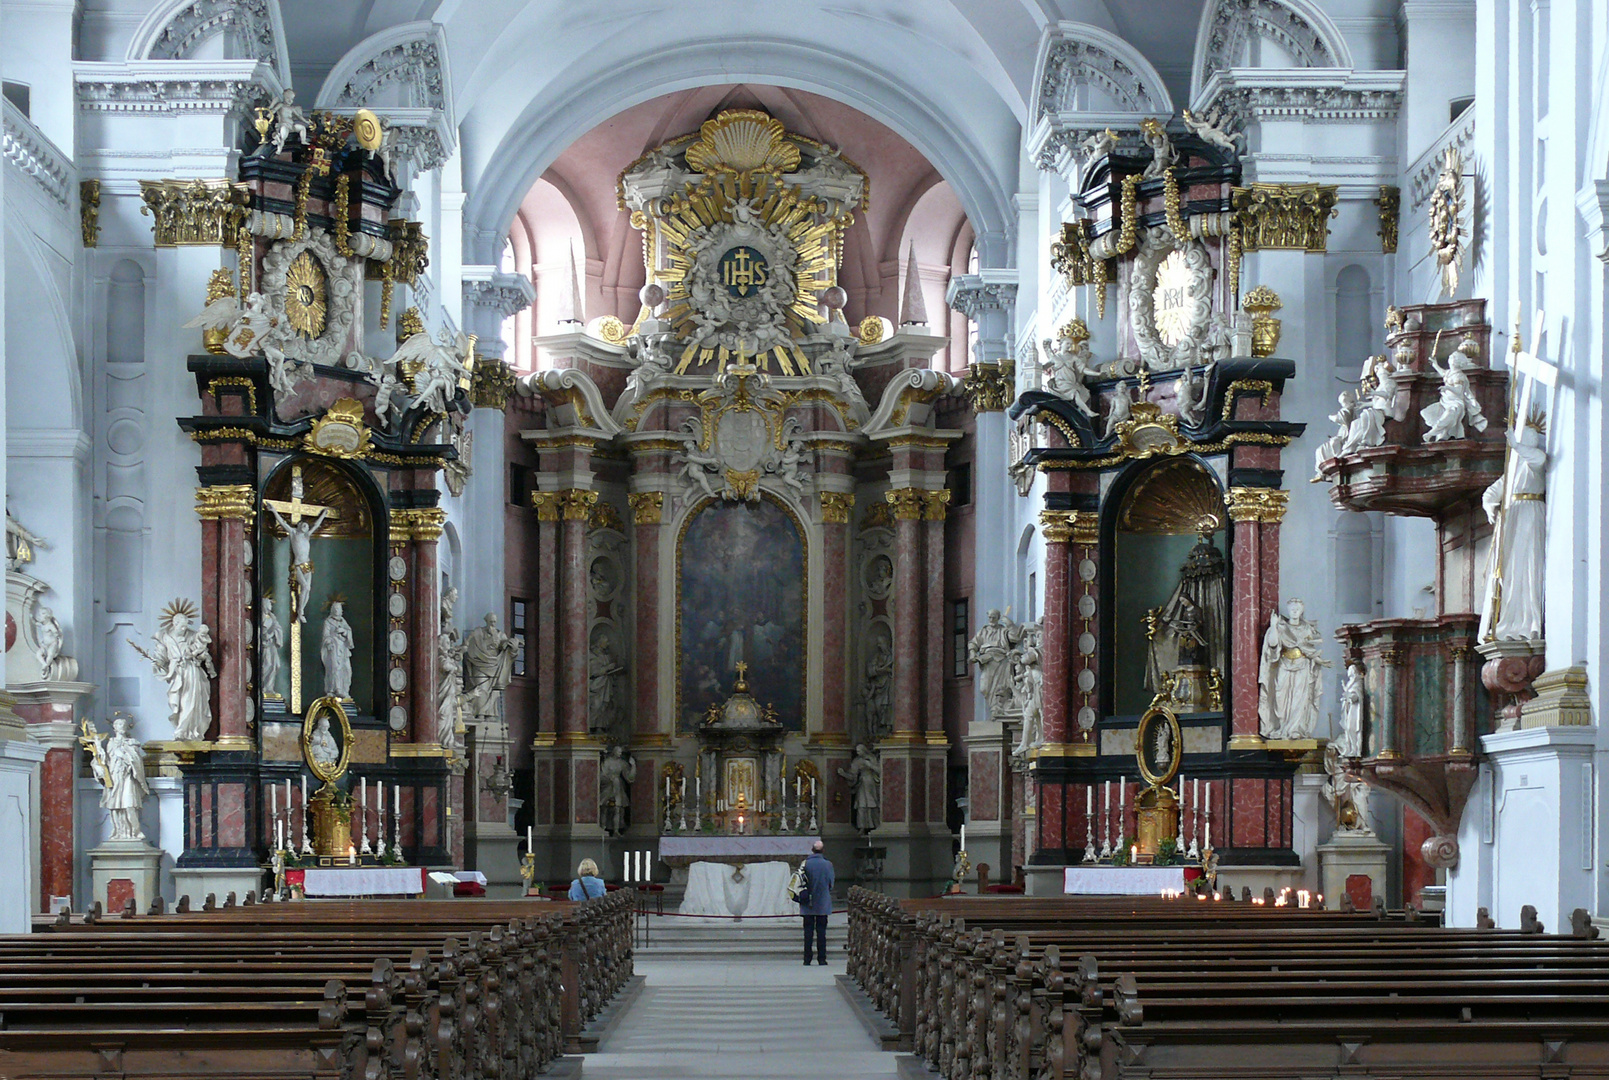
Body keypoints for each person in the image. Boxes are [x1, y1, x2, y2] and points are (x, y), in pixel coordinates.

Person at [798, 840, 835, 966]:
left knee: (808, 932)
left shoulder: (805, 864)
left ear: (812, 850)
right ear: (823, 850)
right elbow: (831, 884)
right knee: (821, 932)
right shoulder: (828, 864)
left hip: (807, 902)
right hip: (822, 903)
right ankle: (822, 958)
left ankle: (807, 959)